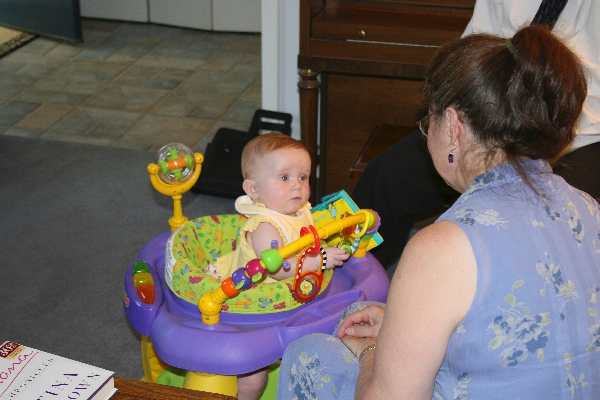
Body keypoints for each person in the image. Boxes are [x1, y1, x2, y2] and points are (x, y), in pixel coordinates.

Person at [278, 25, 600, 399]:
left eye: (426, 121)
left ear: (453, 127)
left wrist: (371, 353)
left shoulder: (442, 248)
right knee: (372, 310)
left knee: (310, 353)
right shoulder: (590, 208)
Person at [352, 0, 600, 270]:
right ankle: (351, 276)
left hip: (579, 131)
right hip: (487, 109)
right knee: (386, 175)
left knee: (550, 231)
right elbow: (477, 45)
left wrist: (542, 134)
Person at [212, 132, 349, 400]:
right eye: (284, 178)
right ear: (254, 190)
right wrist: (320, 259)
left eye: (303, 177)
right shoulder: (266, 227)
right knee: (254, 378)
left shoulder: (301, 211)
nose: (297, 185)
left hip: (286, 297)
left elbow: (309, 238)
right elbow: (277, 267)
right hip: (252, 305)